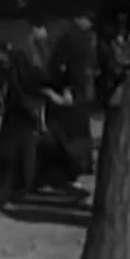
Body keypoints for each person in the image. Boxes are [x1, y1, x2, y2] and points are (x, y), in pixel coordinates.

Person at [0, 17, 54, 207]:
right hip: (18, 117)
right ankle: (11, 192)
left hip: (22, 117)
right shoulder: (15, 69)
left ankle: (15, 192)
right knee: (14, 158)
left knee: (17, 158)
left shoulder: (21, 68)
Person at [43, 12, 97, 186]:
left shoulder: (74, 37)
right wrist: (68, 87)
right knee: (69, 134)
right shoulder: (74, 38)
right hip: (72, 93)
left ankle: (71, 170)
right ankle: (70, 170)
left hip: (73, 93)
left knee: (70, 134)